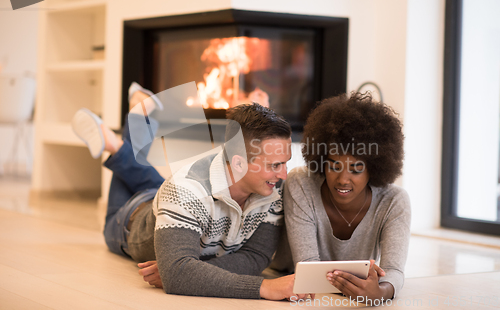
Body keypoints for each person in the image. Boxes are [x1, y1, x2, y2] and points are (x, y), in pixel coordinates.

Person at [71, 83, 306, 300]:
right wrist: (264, 287)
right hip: (130, 220)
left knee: (160, 187)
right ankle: (118, 139)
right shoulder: (184, 190)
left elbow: (255, 258)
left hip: (169, 200)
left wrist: (193, 271)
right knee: (122, 215)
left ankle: (134, 120)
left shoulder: (272, 190)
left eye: (285, 163)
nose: (284, 175)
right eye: (274, 165)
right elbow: (177, 276)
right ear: (238, 163)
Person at [281, 92, 410, 302]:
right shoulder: (301, 184)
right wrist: (360, 281)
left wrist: (381, 292)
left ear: (374, 169)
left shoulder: (394, 201)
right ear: (322, 161)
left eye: (356, 169)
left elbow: (393, 270)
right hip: (286, 283)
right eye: (334, 166)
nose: (342, 179)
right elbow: (307, 270)